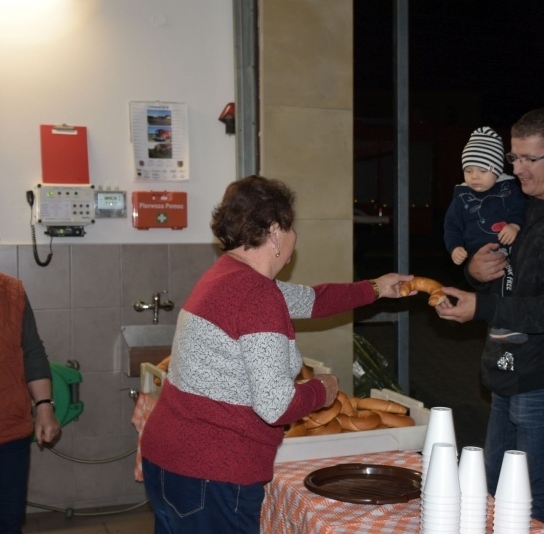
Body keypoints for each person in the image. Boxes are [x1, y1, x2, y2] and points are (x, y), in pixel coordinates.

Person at [140, 175, 414, 533]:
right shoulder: (256, 294)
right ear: (274, 232)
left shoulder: (227, 276)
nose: (294, 238)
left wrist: (377, 288)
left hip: (169, 461)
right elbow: (276, 405)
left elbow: (314, 300)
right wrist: (324, 389)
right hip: (212, 474)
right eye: (291, 227)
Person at [435, 109, 544, 534]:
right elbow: (504, 277)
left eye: (528, 160)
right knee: (496, 492)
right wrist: (475, 274)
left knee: (537, 502)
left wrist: (482, 309)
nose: (516, 170)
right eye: (513, 158)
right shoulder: (526, 208)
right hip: (511, 370)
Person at [0, 198, 61, 533]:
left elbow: (32, 352)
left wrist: (45, 408)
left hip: (4, 435)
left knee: (4, 525)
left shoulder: (12, 291)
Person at [443, 126, 528, 343]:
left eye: (482, 170)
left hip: (508, 251)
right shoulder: (461, 197)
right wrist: (455, 247)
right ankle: (501, 324)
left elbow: (522, 209)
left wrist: (515, 226)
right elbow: (451, 225)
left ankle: (505, 325)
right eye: (469, 170)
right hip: (480, 256)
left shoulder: (509, 189)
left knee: (508, 285)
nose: (475, 177)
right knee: (495, 290)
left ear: (497, 169)